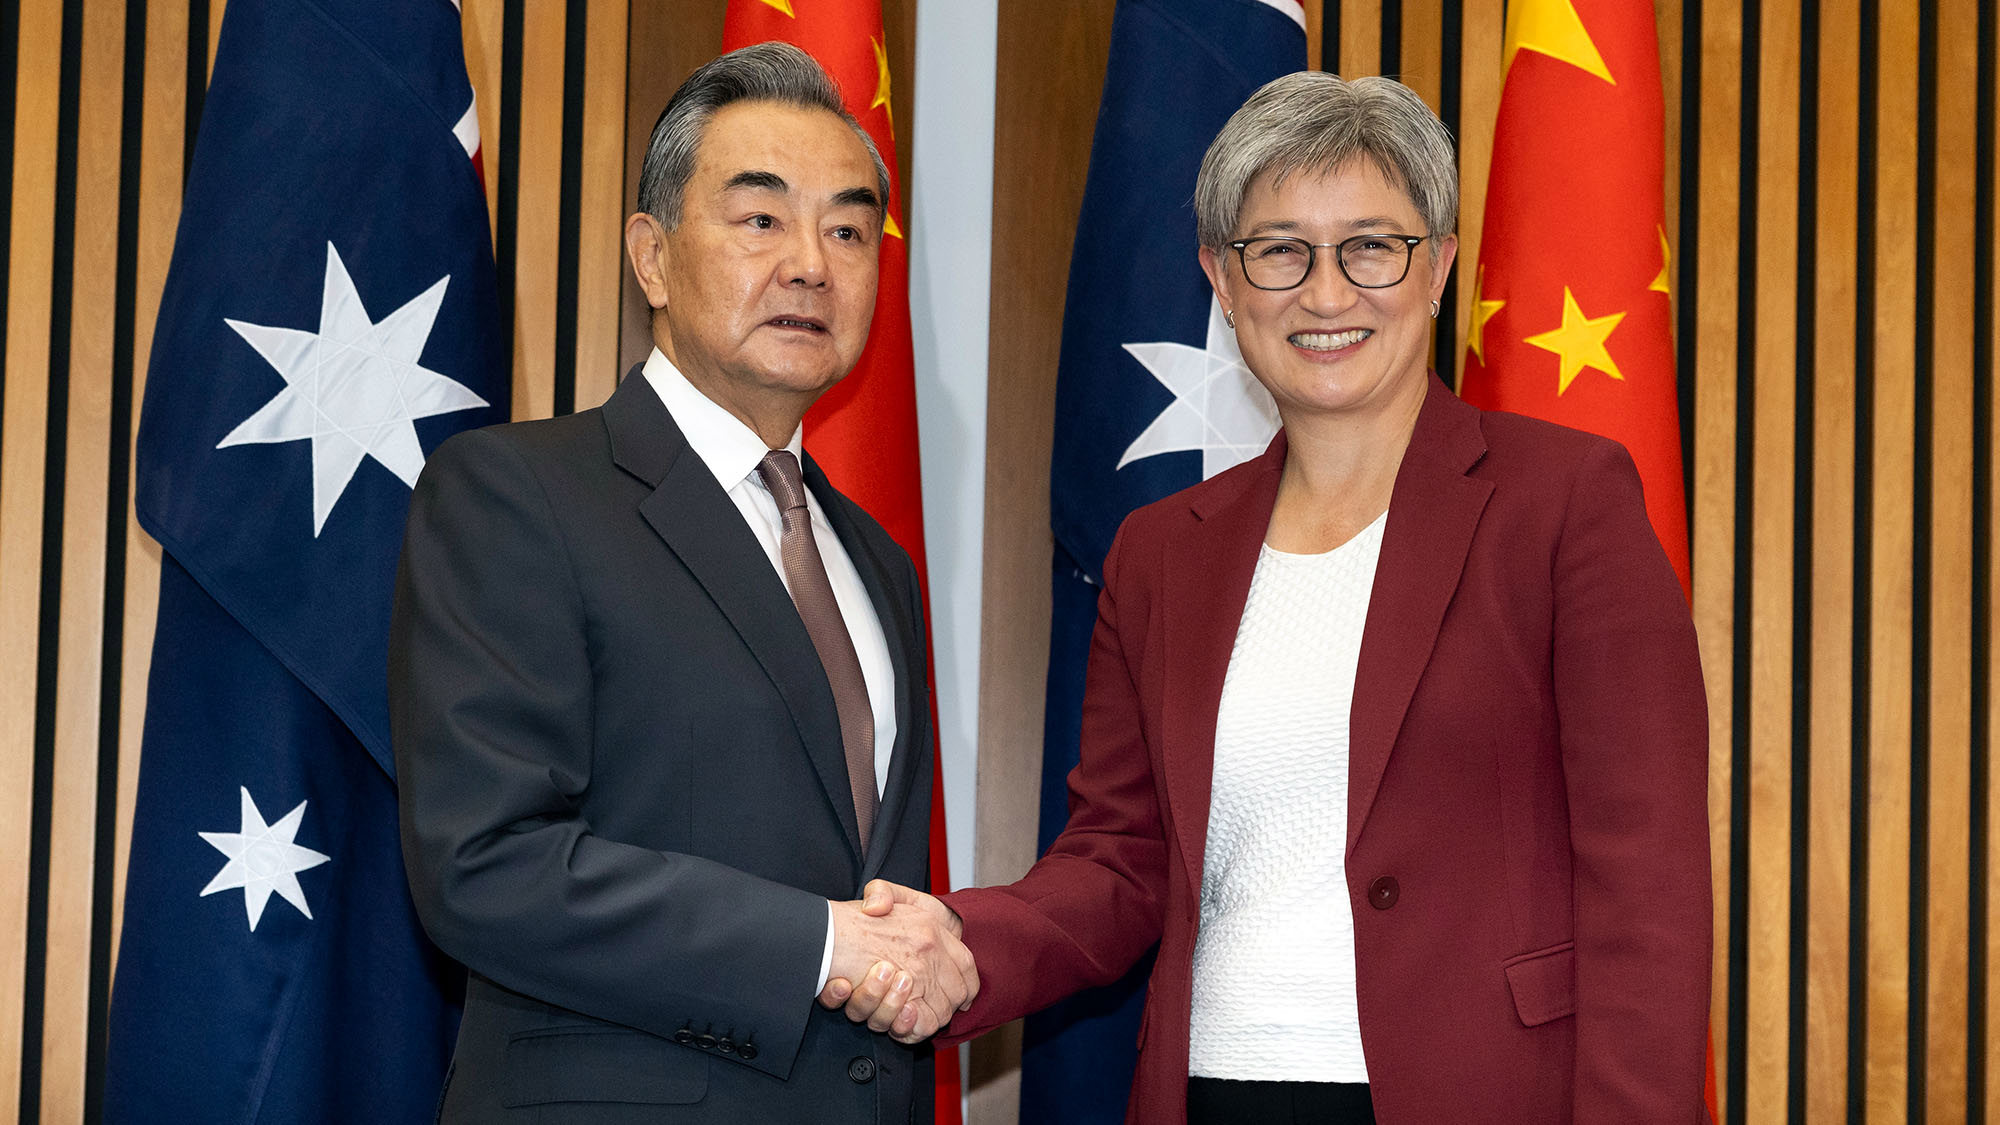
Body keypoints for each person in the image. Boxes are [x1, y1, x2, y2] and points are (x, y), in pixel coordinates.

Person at [829, 72, 1711, 1123]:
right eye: (1279, 250)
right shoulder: (1159, 553)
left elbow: (1646, 884)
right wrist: (960, 948)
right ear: (1220, 276)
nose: (1325, 294)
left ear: (1435, 266)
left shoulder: (1564, 504)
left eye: (1371, 246)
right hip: (1213, 1092)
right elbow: (1120, 861)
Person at [389, 42, 973, 1123]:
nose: (810, 262)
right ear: (650, 258)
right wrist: (820, 941)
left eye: (847, 230)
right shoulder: (515, 495)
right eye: (760, 220)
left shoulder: (874, 563)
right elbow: (484, 864)